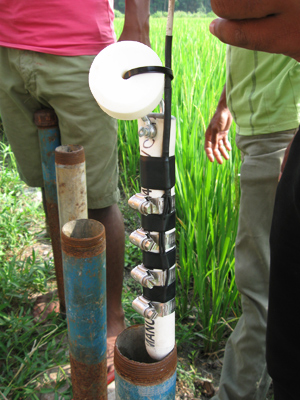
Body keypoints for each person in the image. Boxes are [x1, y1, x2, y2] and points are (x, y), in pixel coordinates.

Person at [0, 0, 150, 377]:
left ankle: (110, 318)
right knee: (49, 188)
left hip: (80, 48)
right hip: (7, 44)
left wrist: (137, 22)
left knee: (96, 198)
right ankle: (68, 297)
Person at [207, 1, 300, 398]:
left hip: (281, 134)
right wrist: (225, 104)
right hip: (258, 131)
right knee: (264, 279)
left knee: (260, 287)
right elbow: (259, 39)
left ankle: (238, 393)